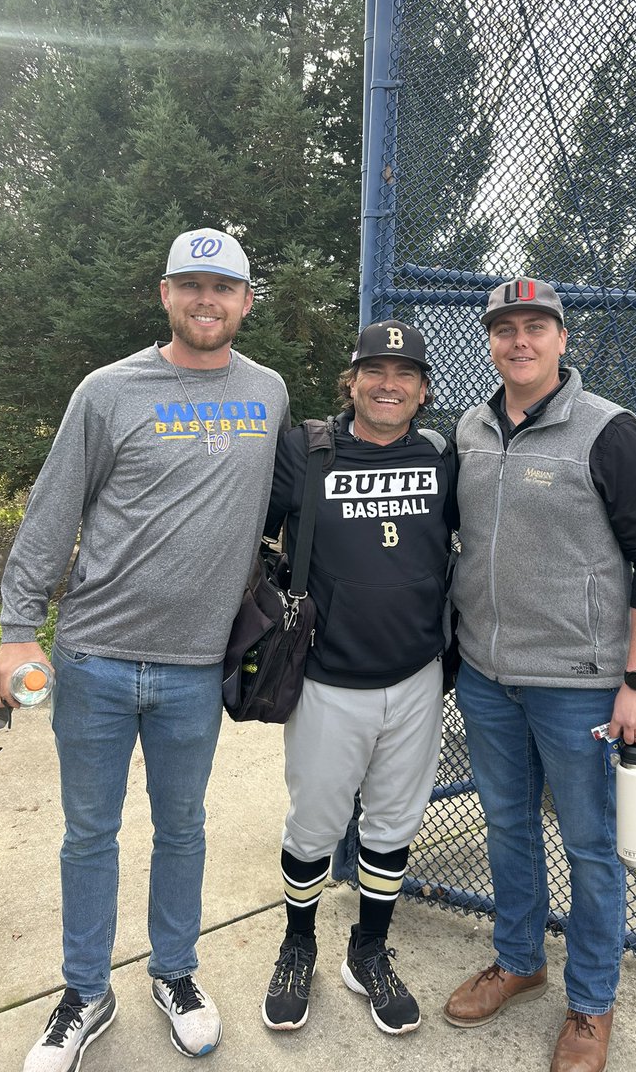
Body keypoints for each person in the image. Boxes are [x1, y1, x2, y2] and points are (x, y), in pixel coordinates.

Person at [0, 227, 289, 1070]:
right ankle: (85, 991)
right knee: (89, 834)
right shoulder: (108, 391)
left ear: (244, 302)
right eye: (191, 285)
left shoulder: (268, 394)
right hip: (95, 658)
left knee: (182, 828)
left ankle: (175, 973)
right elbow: (52, 515)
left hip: (197, 666)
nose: (206, 300)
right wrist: (16, 632)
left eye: (222, 288)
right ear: (165, 293)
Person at [443, 279, 636, 1072]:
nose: (520, 340)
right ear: (491, 341)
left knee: (590, 845)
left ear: (561, 339)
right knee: (507, 826)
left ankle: (590, 1004)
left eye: (535, 326)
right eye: (505, 328)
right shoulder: (469, 430)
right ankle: (519, 960)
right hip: (486, 676)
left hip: (579, 681)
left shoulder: (609, 432)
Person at [260, 321, 457, 1036]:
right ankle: (298, 945)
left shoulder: (440, 456)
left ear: (423, 388)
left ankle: (368, 951)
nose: (388, 382)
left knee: (393, 825)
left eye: (404, 372)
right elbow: (243, 529)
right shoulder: (306, 451)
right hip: (325, 679)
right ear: (352, 381)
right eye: (374, 369)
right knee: (313, 825)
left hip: (416, 677)